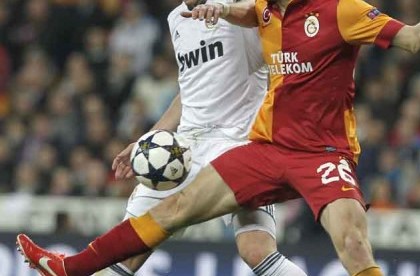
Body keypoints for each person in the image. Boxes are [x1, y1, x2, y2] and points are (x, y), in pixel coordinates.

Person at [16, 0, 420, 275]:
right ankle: (70, 268)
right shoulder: (261, 12)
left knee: (352, 244)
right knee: (176, 210)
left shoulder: (342, 11)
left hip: (320, 152)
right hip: (267, 149)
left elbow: (416, 41)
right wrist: (152, 134)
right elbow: (233, 31)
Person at [20, 0, 308, 276]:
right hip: (182, 150)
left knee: (256, 251)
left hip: (238, 147)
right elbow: (190, 89)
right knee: (124, 252)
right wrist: (150, 137)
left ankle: (68, 268)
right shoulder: (176, 19)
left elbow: (280, 49)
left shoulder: (237, 11)